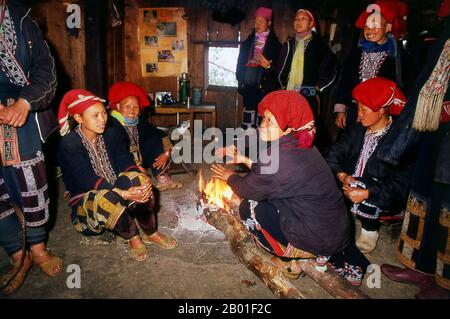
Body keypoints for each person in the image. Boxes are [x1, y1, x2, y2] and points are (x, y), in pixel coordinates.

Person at [211, 90, 370, 286]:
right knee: (272, 196)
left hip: (317, 237)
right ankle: (328, 256)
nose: (262, 126)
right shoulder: (302, 145)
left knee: (248, 207)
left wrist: (230, 176)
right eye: (263, 119)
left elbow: (248, 189)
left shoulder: (280, 155)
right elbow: (272, 174)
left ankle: (291, 257)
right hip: (336, 230)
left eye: (270, 121)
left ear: (288, 128)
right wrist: (244, 159)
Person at [57, 89, 178, 263]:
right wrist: (122, 193)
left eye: (104, 113)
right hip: (89, 203)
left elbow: (124, 160)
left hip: (117, 190)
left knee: (141, 180)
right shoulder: (69, 144)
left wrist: (138, 180)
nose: (102, 120)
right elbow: (85, 178)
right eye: (95, 115)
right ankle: (133, 237)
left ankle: (151, 232)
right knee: (107, 197)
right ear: (78, 118)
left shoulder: (110, 133)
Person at [380, 22, 450, 299]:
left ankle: (445, 282)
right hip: (433, 124)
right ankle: (421, 267)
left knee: (447, 204)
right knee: (425, 194)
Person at [0, 0, 61, 295]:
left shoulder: (22, 19)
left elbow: (45, 69)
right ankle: (15, 251)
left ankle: (37, 248)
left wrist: (25, 101)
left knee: (30, 181)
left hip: (23, 108)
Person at [326, 77, 414, 254]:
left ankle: (369, 230)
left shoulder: (399, 141)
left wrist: (367, 192)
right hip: (351, 186)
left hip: (379, 196)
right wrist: (342, 175)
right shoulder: (358, 130)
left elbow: (400, 187)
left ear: (381, 110)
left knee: (363, 182)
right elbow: (334, 153)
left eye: (363, 109)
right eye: (358, 108)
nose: (358, 115)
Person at [334, 0, 408, 130]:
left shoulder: (396, 56)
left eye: (375, 26)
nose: (369, 31)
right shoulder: (356, 54)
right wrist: (341, 110)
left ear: (388, 28)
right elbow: (345, 82)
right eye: (366, 27)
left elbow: (402, 86)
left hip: (381, 115)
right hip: (354, 111)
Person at [276, 9, 337, 148]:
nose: (299, 22)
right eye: (296, 19)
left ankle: (305, 161)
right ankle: (287, 157)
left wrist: (319, 86)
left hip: (308, 96)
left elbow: (332, 67)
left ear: (311, 23)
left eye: (303, 19)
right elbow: (280, 68)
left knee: (306, 131)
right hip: (288, 94)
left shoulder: (319, 46)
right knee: (287, 128)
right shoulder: (289, 45)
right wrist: (282, 85)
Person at [108, 81, 182, 191]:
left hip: (139, 158)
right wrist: (136, 168)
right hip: (121, 162)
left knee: (154, 139)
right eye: (127, 106)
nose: (132, 111)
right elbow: (116, 153)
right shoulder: (111, 124)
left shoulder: (138, 122)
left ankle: (161, 176)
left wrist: (166, 153)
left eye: (135, 107)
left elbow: (159, 133)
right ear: (118, 106)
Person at [236, 7, 281, 129]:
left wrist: (269, 66)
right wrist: (240, 78)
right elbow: (240, 61)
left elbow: (280, 69)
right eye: (256, 21)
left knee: (262, 120)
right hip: (248, 87)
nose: (258, 24)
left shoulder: (275, 45)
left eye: (261, 21)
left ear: (269, 23)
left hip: (265, 89)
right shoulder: (248, 42)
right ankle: (246, 145)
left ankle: (261, 146)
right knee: (248, 119)